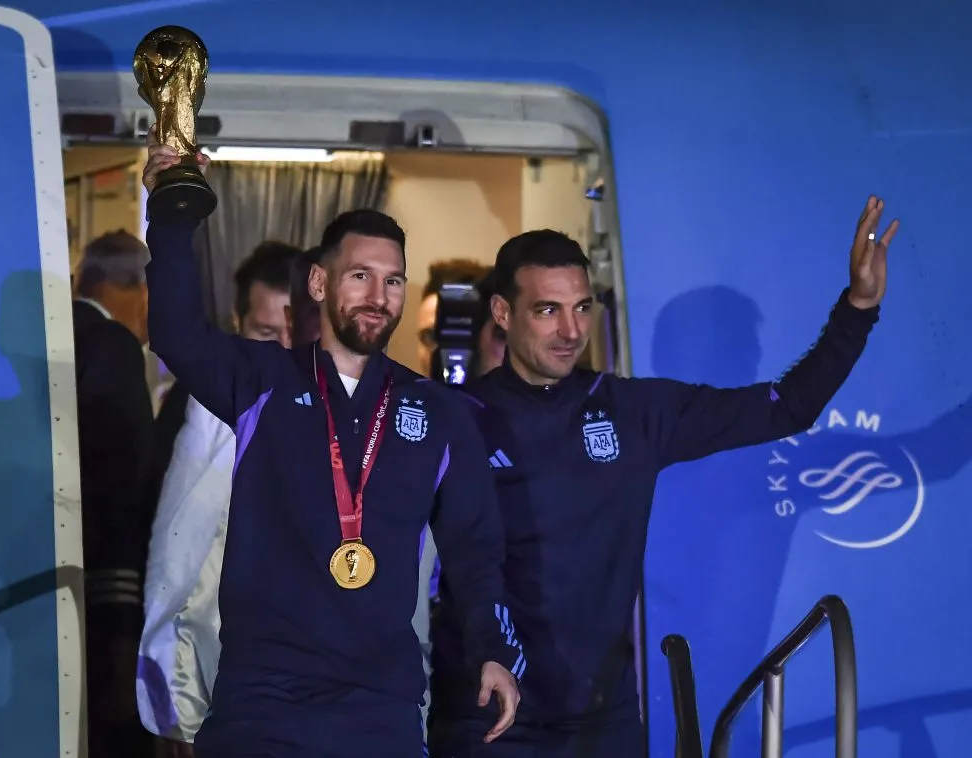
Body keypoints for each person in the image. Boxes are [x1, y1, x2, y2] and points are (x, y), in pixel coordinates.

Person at [428, 196, 898, 757]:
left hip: (603, 718)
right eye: (547, 310)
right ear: (503, 314)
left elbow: (786, 407)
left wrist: (859, 307)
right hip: (489, 712)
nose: (570, 330)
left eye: (582, 308)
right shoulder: (455, 419)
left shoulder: (631, 410)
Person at [140, 126, 523, 758]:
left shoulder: (438, 412)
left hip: (381, 708)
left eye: (394, 281)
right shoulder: (260, 381)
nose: (379, 297)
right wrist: (172, 212)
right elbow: (177, 332)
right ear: (319, 284)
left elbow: (475, 546)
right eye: (361, 277)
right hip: (261, 702)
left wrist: (492, 651)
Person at [137, 240, 305, 754]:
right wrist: (176, 695)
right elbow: (170, 553)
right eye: (264, 333)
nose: (281, 348)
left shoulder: (350, 411)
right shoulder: (198, 408)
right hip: (213, 677)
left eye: (293, 333)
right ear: (237, 321)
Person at [71, 230, 157, 758]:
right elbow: (123, 488)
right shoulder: (113, 346)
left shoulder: (55, 335)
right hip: (100, 597)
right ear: (140, 292)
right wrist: (125, 628)